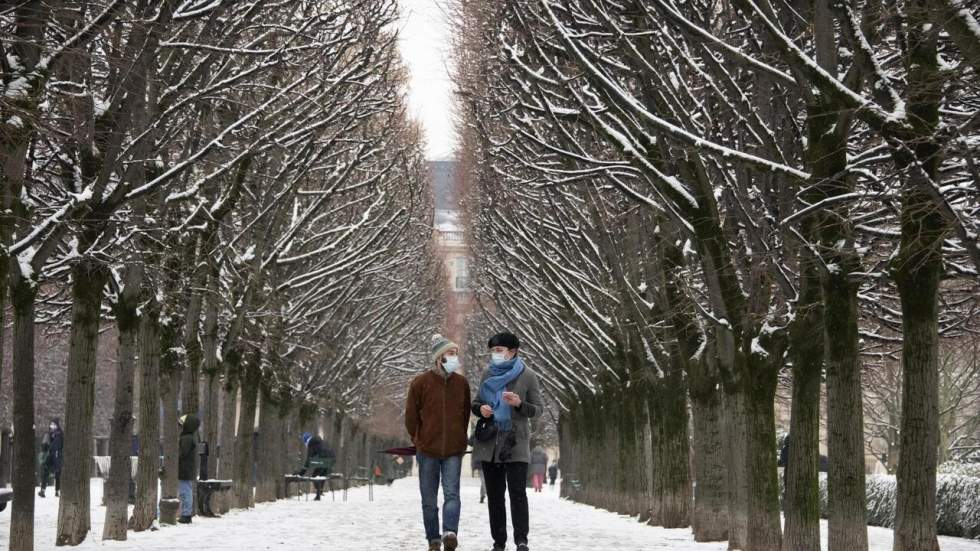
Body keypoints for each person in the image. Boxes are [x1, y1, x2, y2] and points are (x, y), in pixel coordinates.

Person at [472, 332, 543, 551]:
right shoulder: (487, 374)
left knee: (517, 494)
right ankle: (499, 542)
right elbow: (476, 403)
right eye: (493, 350)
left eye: (499, 350)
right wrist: (480, 409)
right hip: (490, 442)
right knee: (495, 496)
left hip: (515, 443)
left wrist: (520, 404)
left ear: (513, 352)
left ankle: (521, 540)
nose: (495, 354)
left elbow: (537, 410)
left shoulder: (528, 376)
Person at [405, 334, 472, 551]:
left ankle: (450, 533)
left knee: (452, 494)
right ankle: (433, 539)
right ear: (439, 357)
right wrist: (418, 439)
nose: (454, 358)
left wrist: (461, 439)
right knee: (429, 499)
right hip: (428, 450)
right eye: (451, 354)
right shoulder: (420, 383)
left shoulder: (462, 384)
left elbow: (464, 416)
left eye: (455, 354)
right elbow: (411, 417)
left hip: (453, 449)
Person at [177, 414, 200, 524]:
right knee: (186, 491)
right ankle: (186, 513)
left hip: (184, 469)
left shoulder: (186, 438)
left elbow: (182, 453)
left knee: (185, 492)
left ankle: (186, 515)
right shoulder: (189, 437)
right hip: (187, 469)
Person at [300, 432, 336, 500]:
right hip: (332, 460)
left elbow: (308, 460)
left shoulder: (311, 443)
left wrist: (302, 472)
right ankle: (319, 493)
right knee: (321, 475)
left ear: (306, 440)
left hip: (323, 461)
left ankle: (319, 492)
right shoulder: (321, 441)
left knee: (314, 476)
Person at [38, 418, 64, 498]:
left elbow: (58, 445)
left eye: (53, 424)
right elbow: (45, 445)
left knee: (57, 474)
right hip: (50, 455)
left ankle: (57, 491)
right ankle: (42, 490)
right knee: (46, 472)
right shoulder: (49, 433)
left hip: (57, 455)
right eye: (51, 424)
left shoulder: (59, 434)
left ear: (57, 425)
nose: (51, 426)